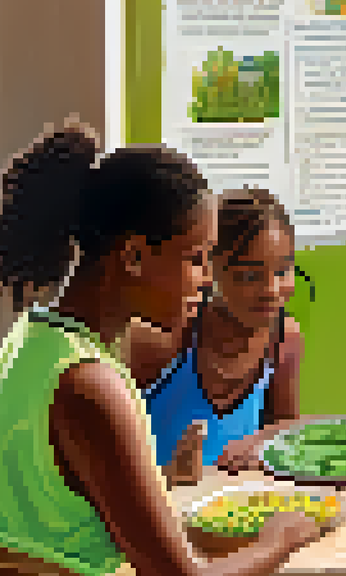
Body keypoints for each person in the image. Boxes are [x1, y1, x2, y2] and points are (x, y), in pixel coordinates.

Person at [0, 121, 322, 576]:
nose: (205, 281)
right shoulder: (89, 383)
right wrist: (281, 538)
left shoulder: (32, 340)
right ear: (133, 256)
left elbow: (62, 518)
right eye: (196, 259)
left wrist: (161, 481)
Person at [128, 188, 311, 483]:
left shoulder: (284, 338)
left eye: (283, 270)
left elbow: (285, 430)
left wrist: (258, 440)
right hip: (154, 514)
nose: (272, 290)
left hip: (231, 513)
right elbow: (99, 460)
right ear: (211, 268)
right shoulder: (163, 338)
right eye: (249, 276)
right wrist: (168, 476)